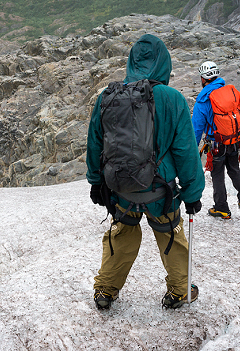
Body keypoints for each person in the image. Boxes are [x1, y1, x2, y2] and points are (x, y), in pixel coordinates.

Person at [86, 34, 205, 310]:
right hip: (159, 190)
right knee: (170, 235)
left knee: (122, 235)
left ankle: (105, 289)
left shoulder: (108, 96)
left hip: (120, 188)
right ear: (164, 63)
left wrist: (95, 182)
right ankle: (180, 290)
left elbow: (94, 143)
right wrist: (192, 192)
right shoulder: (172, 99)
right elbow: (186, 151)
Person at [192, 61, 240, 219]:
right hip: (234, 140)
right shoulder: (230, 92)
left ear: (203, 78)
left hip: (217, 144)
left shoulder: (203, 100)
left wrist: (191, 149)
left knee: (217, 175)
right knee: (234, 170)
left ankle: (222, 208)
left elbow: (196, 129)